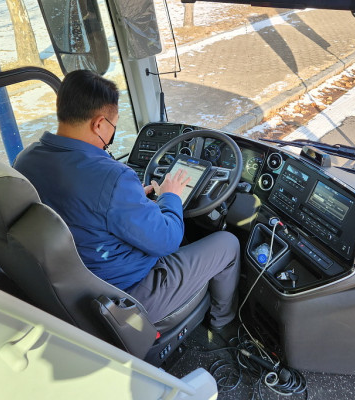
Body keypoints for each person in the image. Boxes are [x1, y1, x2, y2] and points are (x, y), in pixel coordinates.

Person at [13, 69, 240, 332]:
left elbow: (85, 208)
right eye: (113, 126)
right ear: (99, 124)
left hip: (75, 284)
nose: (111, 134)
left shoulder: (26, 160)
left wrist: (132, 199)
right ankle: (223, 325)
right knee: (229, 244)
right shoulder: (113, 178)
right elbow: (168, 240)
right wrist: (171, 195)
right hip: (128, 294)